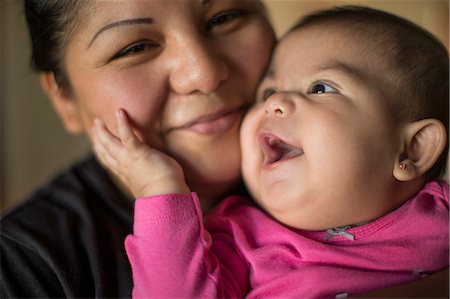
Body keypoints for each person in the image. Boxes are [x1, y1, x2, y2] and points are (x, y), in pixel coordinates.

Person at [93, 6, 449, 298]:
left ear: (412, 149)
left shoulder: (442, 213)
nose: (275, 102)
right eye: (267, 92)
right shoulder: (239, 238)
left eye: (320, 87)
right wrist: (161, 187)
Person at [0, 0, 275, 297]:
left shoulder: (331, 183)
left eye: (224, 18)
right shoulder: (24, 267)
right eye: (136, 48)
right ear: (64, 99)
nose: (204, 75)